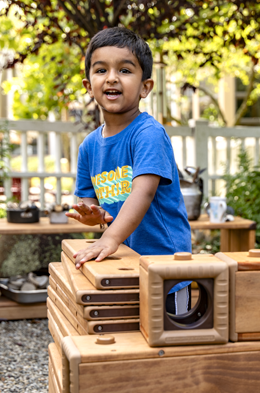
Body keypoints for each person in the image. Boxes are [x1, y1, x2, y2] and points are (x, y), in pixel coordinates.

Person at [65, 27, 192, 314]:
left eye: (124, 70)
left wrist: (109, 237)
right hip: (125, 262)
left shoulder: (148, 133)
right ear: (88, 85)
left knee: (171, 340)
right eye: (101, 70)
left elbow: (143, 193)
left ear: (145, 87)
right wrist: (91, 214)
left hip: (166, 266)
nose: (111, 77)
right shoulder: (89, 146)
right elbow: (87, 198)